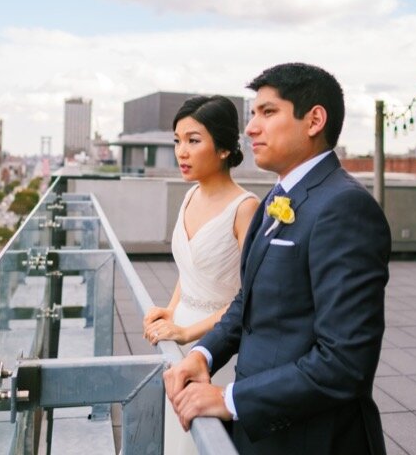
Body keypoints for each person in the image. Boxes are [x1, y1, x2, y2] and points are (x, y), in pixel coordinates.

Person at [164, 63, 391, 455]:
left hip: (314, 439)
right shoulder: (275, 198)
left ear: (314, 120)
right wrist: (203, 354)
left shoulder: (345, 207)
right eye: (253, 114)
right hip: (262, 430)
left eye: (268, 112)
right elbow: (247, 303)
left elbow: (344, 362)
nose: (251, 128)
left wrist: (230, 400)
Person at [142, 95, 259, 454]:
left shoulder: (246, 208)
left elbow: (252, 296)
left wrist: (188, 332)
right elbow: (188, 268)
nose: (182, 151)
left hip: (217, 346)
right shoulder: (190, 195)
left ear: (223, 148)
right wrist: (171, 309)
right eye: (177, 141)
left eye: (194, 140)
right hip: (177, 337)